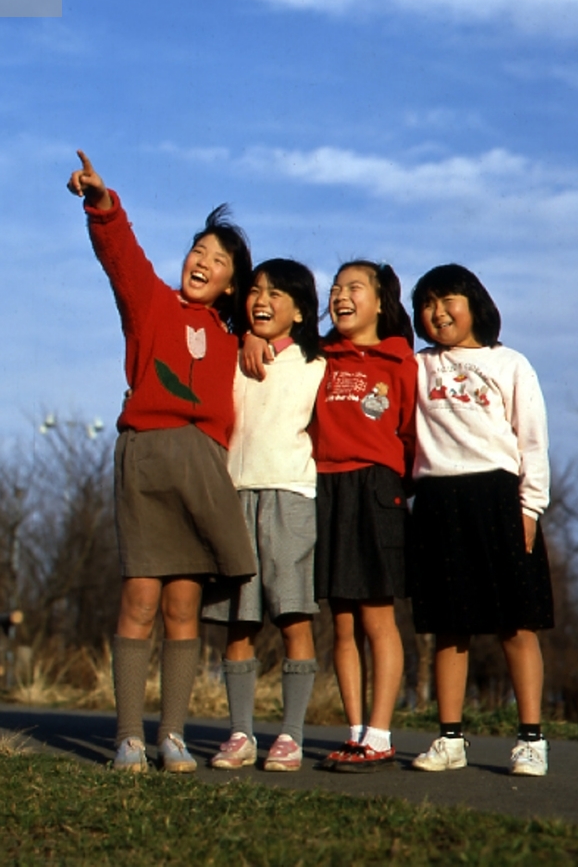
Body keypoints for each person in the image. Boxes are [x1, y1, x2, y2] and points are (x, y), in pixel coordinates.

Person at [67, 150, 256, 774]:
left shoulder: (235, 338)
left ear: (232, 284)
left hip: (203, 467)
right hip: (148, 457)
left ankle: (172, 735)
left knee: (183, 607)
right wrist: (103, 205)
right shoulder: (152, 304)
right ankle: (128, 738)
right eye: (198, 251)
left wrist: (261, 337)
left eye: (218, 260)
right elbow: (121, 257)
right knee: (140, 598)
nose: (203, 261)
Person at [407, 263, 554, 777]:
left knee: (518, 622)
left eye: (447, 299)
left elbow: (532, 439)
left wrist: (530, 506)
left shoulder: (510, 363)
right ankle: (450, 739)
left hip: (498, 497)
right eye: (426, 304)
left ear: (475, 303)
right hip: (436, 497)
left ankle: (531, 740)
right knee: (450, 625)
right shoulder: (418, 365)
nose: (437, 312)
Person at [201, 259, 326, 772]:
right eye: (255, 291)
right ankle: (240, 734)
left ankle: (291, 736)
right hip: (233, 495)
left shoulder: (317, 363)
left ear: (299, 311)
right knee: (238, 621)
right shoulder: (232, 353)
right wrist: (246, 338)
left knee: (293, 615)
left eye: (276, 294)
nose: (262, 301)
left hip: (290, 495)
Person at [313, 261, 417, 772]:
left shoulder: (401, 362)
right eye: (335, 288)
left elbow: (412, 434)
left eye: (354, 287)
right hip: (325, 486)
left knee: (377, 618)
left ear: (379, 303)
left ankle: (379, 734)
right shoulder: (318, 358)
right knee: (341, 622)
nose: (341, 295)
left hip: (376, 487)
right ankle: (355, 734)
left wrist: (398, 483)